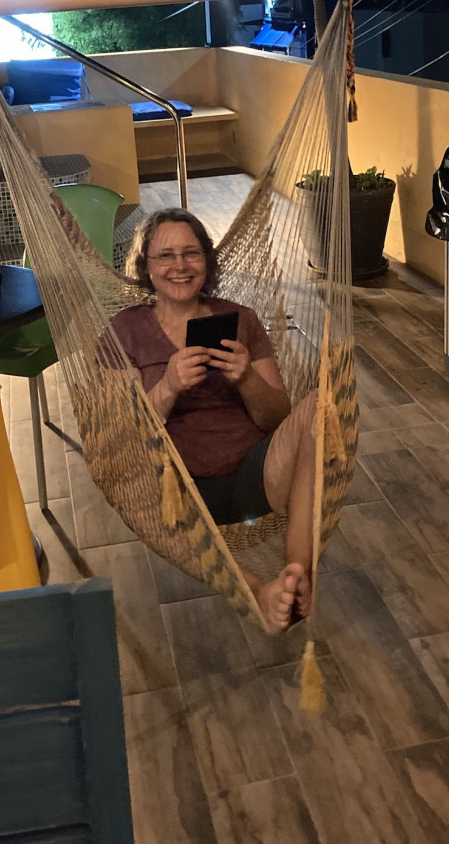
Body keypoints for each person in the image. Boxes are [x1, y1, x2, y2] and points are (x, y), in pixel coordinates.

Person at [111, 208, 318, 634]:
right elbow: (121, 437)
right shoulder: (124, 331)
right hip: (174, 491)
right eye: (165, 255)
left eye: (191, 253)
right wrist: (168, 387)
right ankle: (257, 590)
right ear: (146, 267)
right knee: (135, 481)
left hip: (254, 475)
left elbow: (277, 418)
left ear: (207, 260)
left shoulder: (240, 319)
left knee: (321, 406)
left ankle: (297, 573)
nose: (180, 265)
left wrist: (245, 378)